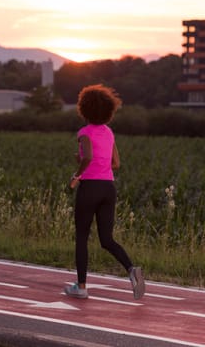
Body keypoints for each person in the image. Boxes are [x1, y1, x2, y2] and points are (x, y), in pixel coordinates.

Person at [64, 84, 145, 300]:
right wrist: (87, 162)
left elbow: (88, 157)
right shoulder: (109, 133)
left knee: (82, 237)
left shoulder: (84, 132)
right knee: (106, 239)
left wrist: (77, 174)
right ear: (108, 110)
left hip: (90, 187)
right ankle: (131, 269)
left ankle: (81, 287)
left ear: (84, 108)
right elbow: (115, 163)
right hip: (108, 188)